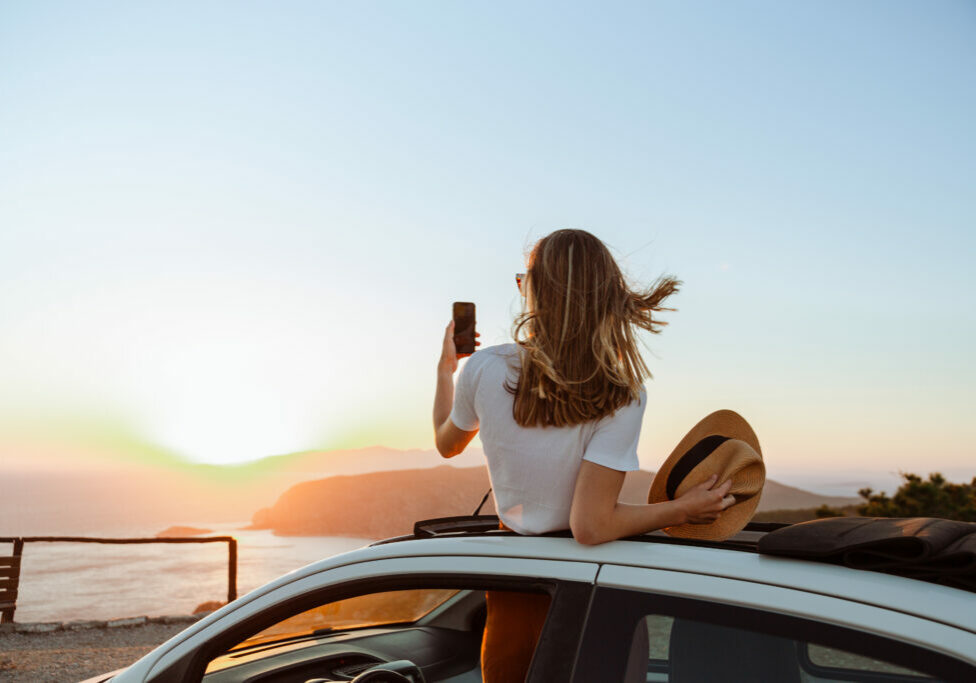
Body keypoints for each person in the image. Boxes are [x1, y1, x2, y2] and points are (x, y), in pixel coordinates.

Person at [431, 229, 735, 682]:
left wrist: (445, 370)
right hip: (595, 588)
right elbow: (592, 526)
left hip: (515, 587)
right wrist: (683, 510)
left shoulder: (484, 368)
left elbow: (446, 442)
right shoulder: (622, 393)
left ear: (537, 292)